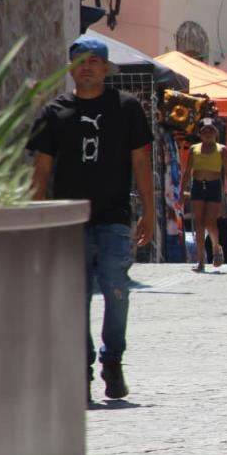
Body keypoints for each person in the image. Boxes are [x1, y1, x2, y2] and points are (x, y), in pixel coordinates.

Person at [27, 36, 156, 401]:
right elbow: (41, 171)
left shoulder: (126, 107)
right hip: (69, 223)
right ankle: (79, 372)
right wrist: (36, 220)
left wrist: (149, 212)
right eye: (79, 60)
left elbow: (141, 162)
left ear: (105, 68)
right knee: (74, 299)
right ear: (71, 67)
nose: (86, 66)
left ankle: (112, 360)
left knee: (117, 291)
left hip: (114, 217)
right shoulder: (53, 112)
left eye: (94, 60)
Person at [181, 118, 227, 272]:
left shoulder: (222, 149)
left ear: (216, 133)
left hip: (214, 186)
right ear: (200, 134)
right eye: (204, 131)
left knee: (210, 222)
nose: (207, 134)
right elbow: (187, 172)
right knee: (199, 223)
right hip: (198, 185)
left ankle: (216, 247)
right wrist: (181, 191)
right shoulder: (194, 149)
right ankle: (201, 261)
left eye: (211, 131)